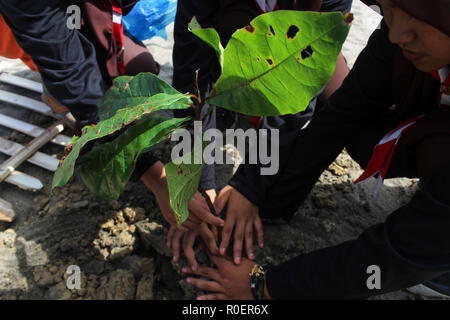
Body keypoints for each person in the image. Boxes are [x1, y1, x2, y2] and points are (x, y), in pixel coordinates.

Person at [183, 0, 450, 299]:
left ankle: (442, 269)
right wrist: (245, 193)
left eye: (414, 18)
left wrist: (264, 286)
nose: (396, 34)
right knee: (362, 131)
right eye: (388, 11)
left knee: (437, 170)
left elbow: (395, 254)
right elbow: (345, 110)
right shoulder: (396, 35)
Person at [0, 0, 223, 231]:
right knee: (74, 83)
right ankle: (53, 89)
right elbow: (70, 71)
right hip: (22, 25)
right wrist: (156, 177)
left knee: (139, 66)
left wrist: (201, 179)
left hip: (77, 12)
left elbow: (195, 67)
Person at [168, 0, 353, 270]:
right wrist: (196, 182)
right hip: (232, 40)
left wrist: (250, 184)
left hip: (296, 48)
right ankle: (234, 104)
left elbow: (299, 88)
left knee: (340, 102)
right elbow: (190, 78)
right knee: (206, 114)